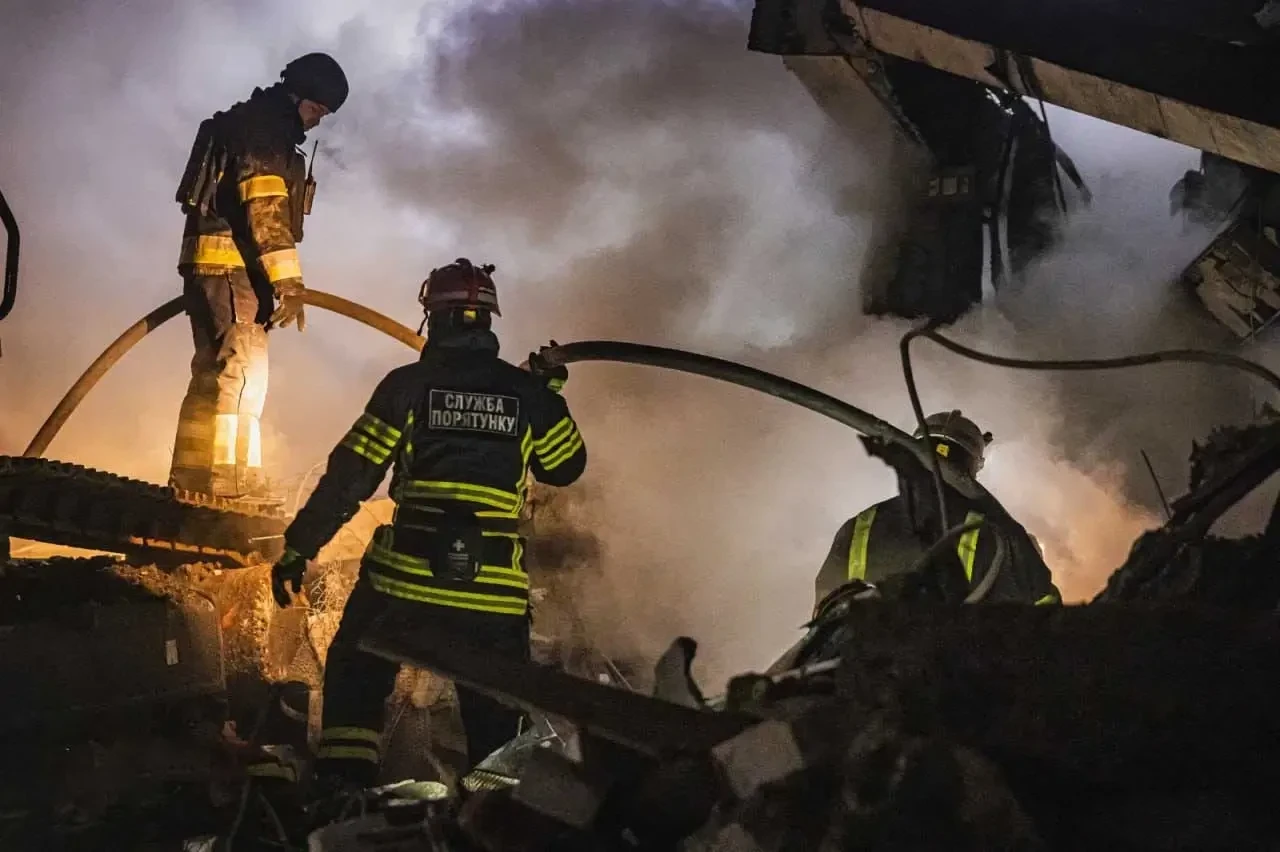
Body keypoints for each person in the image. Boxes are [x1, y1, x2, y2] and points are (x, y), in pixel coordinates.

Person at [270, 258, 587, 789]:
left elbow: (351, 476)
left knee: (356, 670)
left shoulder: (408, 386)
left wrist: (300, 547)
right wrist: (547, 397)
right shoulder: (528, 396)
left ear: (432, 318)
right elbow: (566, 467)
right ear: (489, 320)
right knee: (496, 720)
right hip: (492, 598)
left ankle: (343, 792)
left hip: (404, 585)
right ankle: (489, 814)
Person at [168, 53, 349, 498]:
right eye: (315, 110)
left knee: (211, 375)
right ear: (296, 96)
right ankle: (231, 485)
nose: (316, 122)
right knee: (244, 373)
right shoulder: (265, 134)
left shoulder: (241, 124)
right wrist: (289, 284)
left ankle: (191, 480)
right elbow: (265, 211)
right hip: (235, 271)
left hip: (209, 270)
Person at [814, 410, 1061, 611]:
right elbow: (1041, 616)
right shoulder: (998, 536)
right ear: (973, 466)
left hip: (860, 656)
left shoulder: (859, 525)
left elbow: (824, 613)